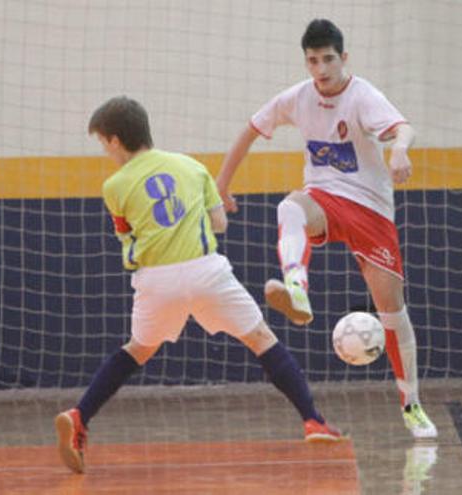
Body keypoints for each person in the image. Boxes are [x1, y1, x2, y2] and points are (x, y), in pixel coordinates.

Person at [54, 96, 342, 475]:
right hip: (206, 272)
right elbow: (219, 223)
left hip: (156, 280)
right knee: (260, 338)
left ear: (113, 141)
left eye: (102, 144)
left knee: (138, 349)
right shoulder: (191, 167)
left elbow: (127, 233)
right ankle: (312, 420)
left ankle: (80, 417)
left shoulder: (115, 185)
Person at [216, 19, 436, 439]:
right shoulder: (298, 98)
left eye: (328, 59)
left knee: (392, 312)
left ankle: (411, 404)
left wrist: (400, 151)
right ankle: (297, 288)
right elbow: (250, 129)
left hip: (371, 211)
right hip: (325, 199)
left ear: (344, 58)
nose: (321, 69)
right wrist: (222, 186)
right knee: (290, 207)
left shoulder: (363, 96)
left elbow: (402, 127)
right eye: (313, 60)